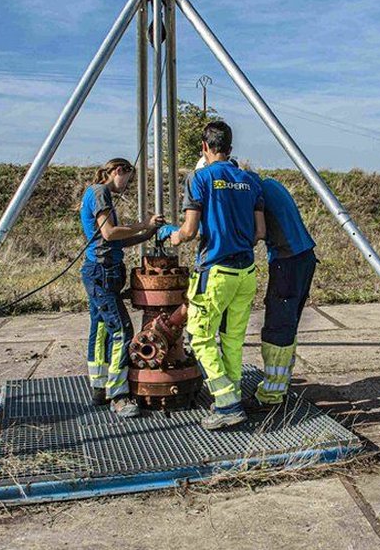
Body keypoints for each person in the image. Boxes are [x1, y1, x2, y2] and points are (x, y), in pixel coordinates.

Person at [158, 121, 265, 430]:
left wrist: (172, 235)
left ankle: (227, 403)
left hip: (215, 273)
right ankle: (231, 395)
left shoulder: (200, 178)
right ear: (230, 148)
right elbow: (259, 232)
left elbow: (189, 231)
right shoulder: (251, 181)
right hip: (245, 273)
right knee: (232, 339)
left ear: (204, 147)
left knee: (200, 336)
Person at [80, 158, 164, 418]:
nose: (127, 185)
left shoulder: (96, 193)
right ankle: (118, 393)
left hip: (103, 271)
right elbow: (109, 233)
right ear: (118, 171)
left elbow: (115, 242)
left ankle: (99, 386)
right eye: (128, 178)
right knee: (121, 329)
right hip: (102, 272)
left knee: (102, 327)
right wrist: (144, 224)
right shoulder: (100, 192)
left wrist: (146, 235)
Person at [240, 169, 316, 410]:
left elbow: (255, 232)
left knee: (277, 327)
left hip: (287, 262)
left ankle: (271, 395)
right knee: (288, 325)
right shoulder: (271, 184)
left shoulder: (254, 192)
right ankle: (281, 384)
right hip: (304, 259)